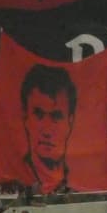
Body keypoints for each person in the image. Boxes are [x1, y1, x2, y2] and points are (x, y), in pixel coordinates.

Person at [20, 64, 77, 193]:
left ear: (71, 121)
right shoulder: (16, 176)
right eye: (38, 114)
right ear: (25, 118)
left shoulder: (79, 178)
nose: (46, 131)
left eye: (56, 116)